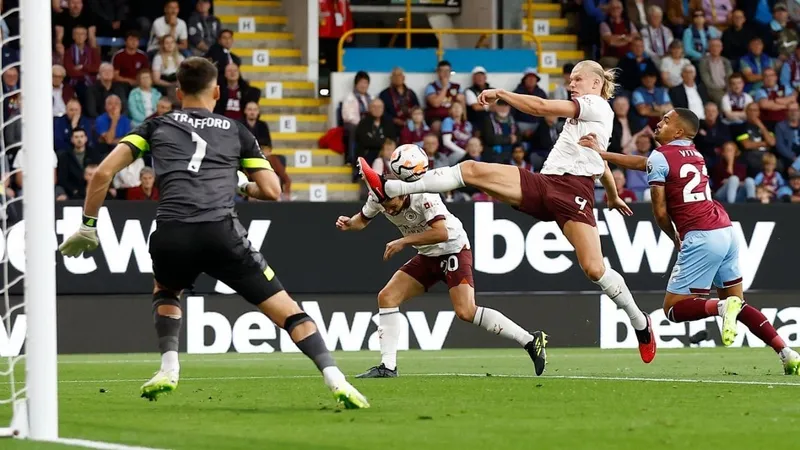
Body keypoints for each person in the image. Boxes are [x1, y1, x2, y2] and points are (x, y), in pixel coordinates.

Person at [57, 57, 370, 408]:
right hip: (221, 233)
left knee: (166, 290)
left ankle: (169, 367)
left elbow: (102, 173)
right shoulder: (236, 130)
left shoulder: (155, 125)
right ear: (217, 91)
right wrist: (239, 184)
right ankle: (335, 378)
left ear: (178, 92)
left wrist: (88, 226)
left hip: (171, 233)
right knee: (290, 312)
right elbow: (272, 190)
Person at [357, 60, 657, 364]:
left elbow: (540, 107)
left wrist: (503, 93)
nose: (572, 84)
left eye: (578, 79)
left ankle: (640, 322)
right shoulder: (591, 118)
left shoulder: (595, 104)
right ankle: (394, 189)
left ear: (596, 84)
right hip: (545, 184)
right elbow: (600, 161)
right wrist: (614, 194)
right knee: (472, 169)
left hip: (572, 193)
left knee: (594, 269)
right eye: (571, 80)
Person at [580, 108, 800, 375]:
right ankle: (786, 352)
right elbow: (645, 163)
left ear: (679, 131)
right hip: (725, 229)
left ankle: (720, 306)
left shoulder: (661, 157)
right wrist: (602, 155)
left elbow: (660, 211)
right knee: (738, 306)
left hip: (700, 234)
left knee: (673, 309)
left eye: (665, 121)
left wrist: (674, 237)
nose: (658, 124)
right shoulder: (694, 152)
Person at [335, 192, 547, 378]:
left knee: (466, 311)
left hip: (453, 249)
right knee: (387, 297)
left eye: (393, 204)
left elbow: (442, 232)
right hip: (427, 255)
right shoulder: (379, 198)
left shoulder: (424, 196)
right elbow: (361, 220)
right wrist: (349, 223)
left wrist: (403, 241)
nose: (389, 209)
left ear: (402, 193)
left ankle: (530, 340)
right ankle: (388, 367)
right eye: (386, 206)